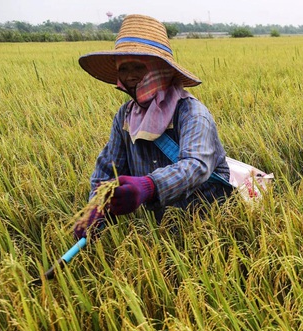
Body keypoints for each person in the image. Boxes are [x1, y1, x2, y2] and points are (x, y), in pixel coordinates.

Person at [74, 14, 232, 239]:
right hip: (156, 226)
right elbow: (109, 169)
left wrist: (148, 186)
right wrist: (95, 208)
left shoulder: (191, 113)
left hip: (204, 220)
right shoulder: (125, 116)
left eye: (138, 66)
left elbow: (196, 165)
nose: (129, 76)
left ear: (160, 69)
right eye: (123, 68)